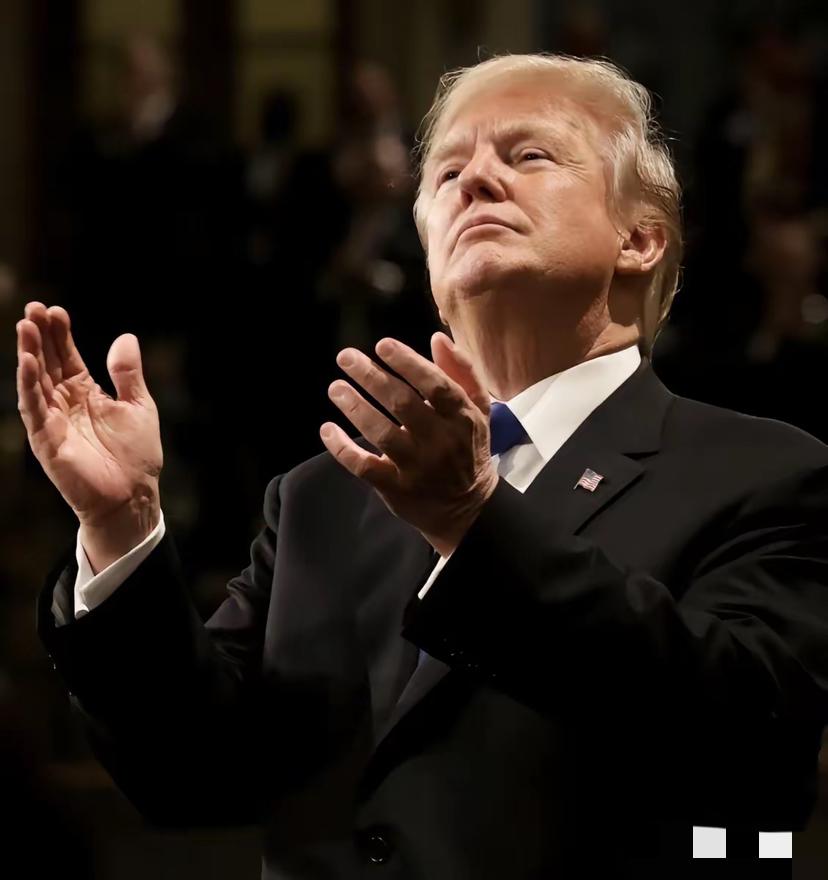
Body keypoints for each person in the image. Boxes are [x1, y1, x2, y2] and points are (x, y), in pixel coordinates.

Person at [16, 53, 828, 877]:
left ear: (641, 239)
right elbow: (189, 773)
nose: (473, 181)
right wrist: (120, 527)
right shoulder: (323, 497)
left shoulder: (764, 474)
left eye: (528, 154)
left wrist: (476, 526)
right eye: (446, 172)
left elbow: (752, 755)